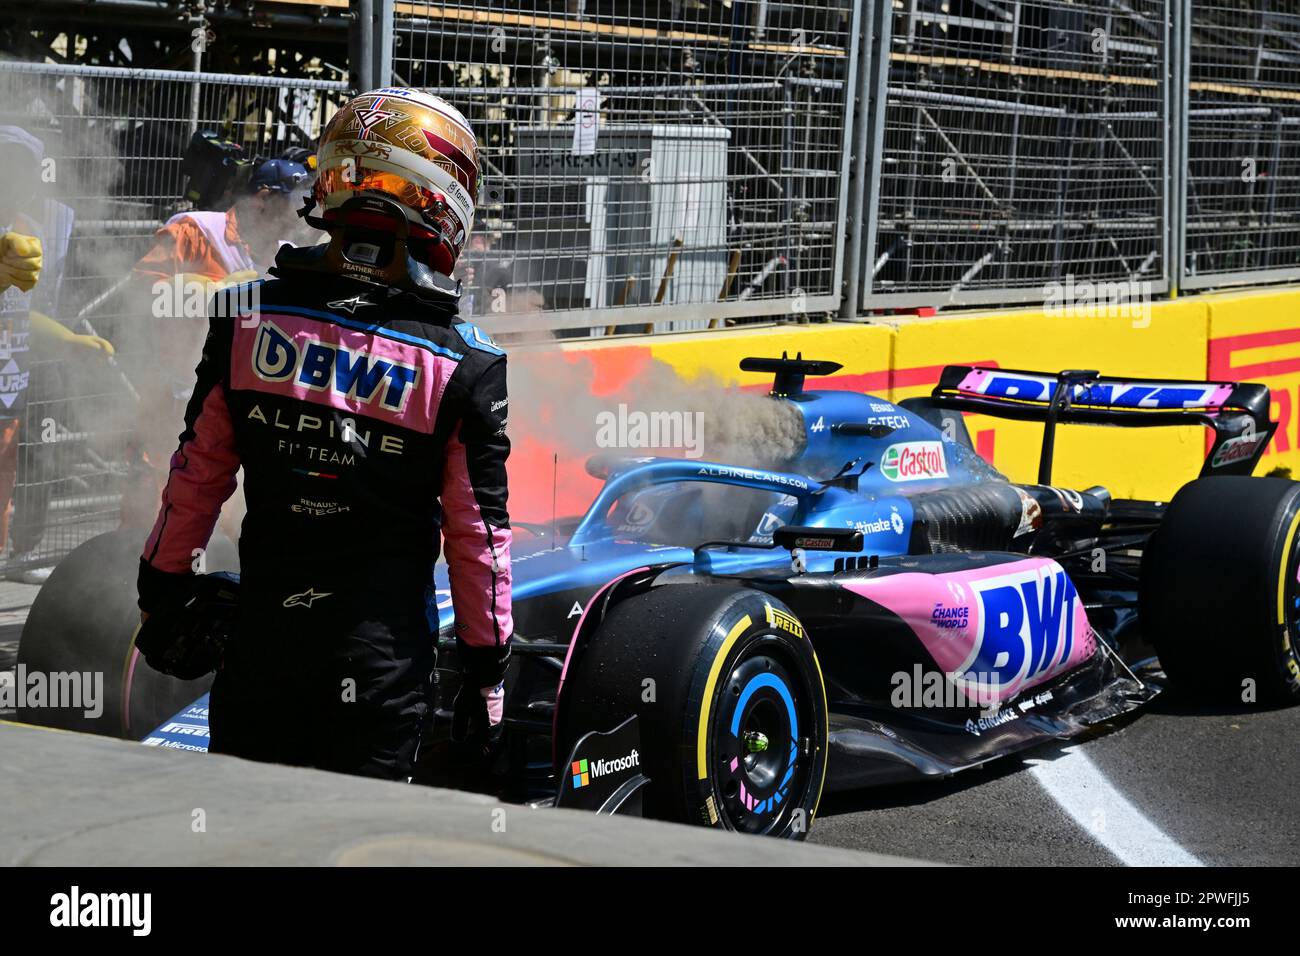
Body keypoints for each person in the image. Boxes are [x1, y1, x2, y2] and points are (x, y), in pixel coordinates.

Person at [135, 88, 513, 781]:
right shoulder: (470, 361)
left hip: (261, 651)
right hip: (379, 669)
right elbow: (478, 536)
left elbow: (197, 471)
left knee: (239, 839)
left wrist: (159, 587)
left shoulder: (244, 314)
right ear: (441, 197)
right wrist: (487, 672)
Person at [0, 125, 115, 582]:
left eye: (22, 168)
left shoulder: (31, 229)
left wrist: (68, 341)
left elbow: (20, 314)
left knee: (7, 479)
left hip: (10, 387)